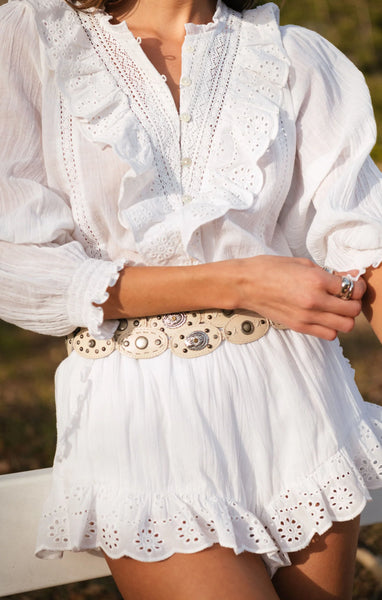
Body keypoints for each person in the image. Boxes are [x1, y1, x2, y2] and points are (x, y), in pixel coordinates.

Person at [1, 0, 382, 597]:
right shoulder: (33, 36)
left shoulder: (294, 54)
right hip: (145, 421)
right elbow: (19, 269)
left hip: (303, 405)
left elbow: (366, 239)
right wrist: (240, 281)